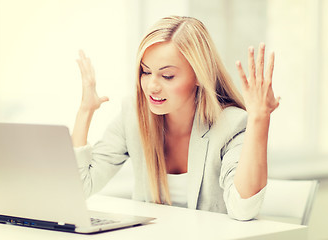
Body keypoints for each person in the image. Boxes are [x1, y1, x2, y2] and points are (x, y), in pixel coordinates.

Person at [72, 16, 280, 221]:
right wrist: (85, 111)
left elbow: (243, 210)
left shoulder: (231, 125)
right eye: (145, 72)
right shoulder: (133, 115)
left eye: (167, 76)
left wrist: (259, 119)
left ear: (199, 75)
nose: (152, 86)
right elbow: (78, 188)